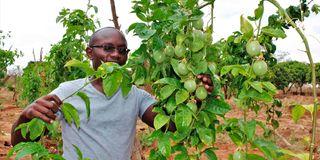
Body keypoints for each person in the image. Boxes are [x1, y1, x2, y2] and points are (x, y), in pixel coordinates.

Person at [11, 27, 213, 160]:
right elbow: (21, 143)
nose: (116, 54)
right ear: (89, 53)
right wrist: (25, 116)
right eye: (108, 48)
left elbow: (173, 124)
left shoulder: (136, 96)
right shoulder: (68, 91)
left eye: (122, 50)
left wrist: (196, 94)